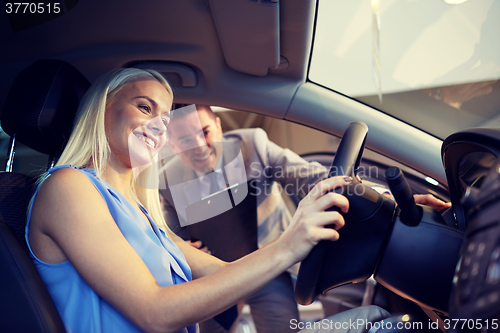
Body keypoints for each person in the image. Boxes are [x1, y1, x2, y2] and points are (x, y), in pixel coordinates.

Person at [25, 67, 391, 333]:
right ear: (102, 109)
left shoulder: (138, 209)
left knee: (373, 317)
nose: (159, 126)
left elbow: (220, 271)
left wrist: (375, 197)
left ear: (217, 125)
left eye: (165, 118)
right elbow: (154, 312)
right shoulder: (69, 187)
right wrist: (289, 245)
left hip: (258, 264)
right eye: (144, 107)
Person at [159, 105, 330, 333]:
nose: (199, 146)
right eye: (185, 140)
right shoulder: (167, 183)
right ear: (173, 146)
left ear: (219, 127)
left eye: (205, 132)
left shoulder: (252, 145)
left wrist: (357, 189)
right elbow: (172, 242)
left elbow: (308, 176)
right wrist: (185, 251)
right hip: (214, 278)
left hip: (268, 264)